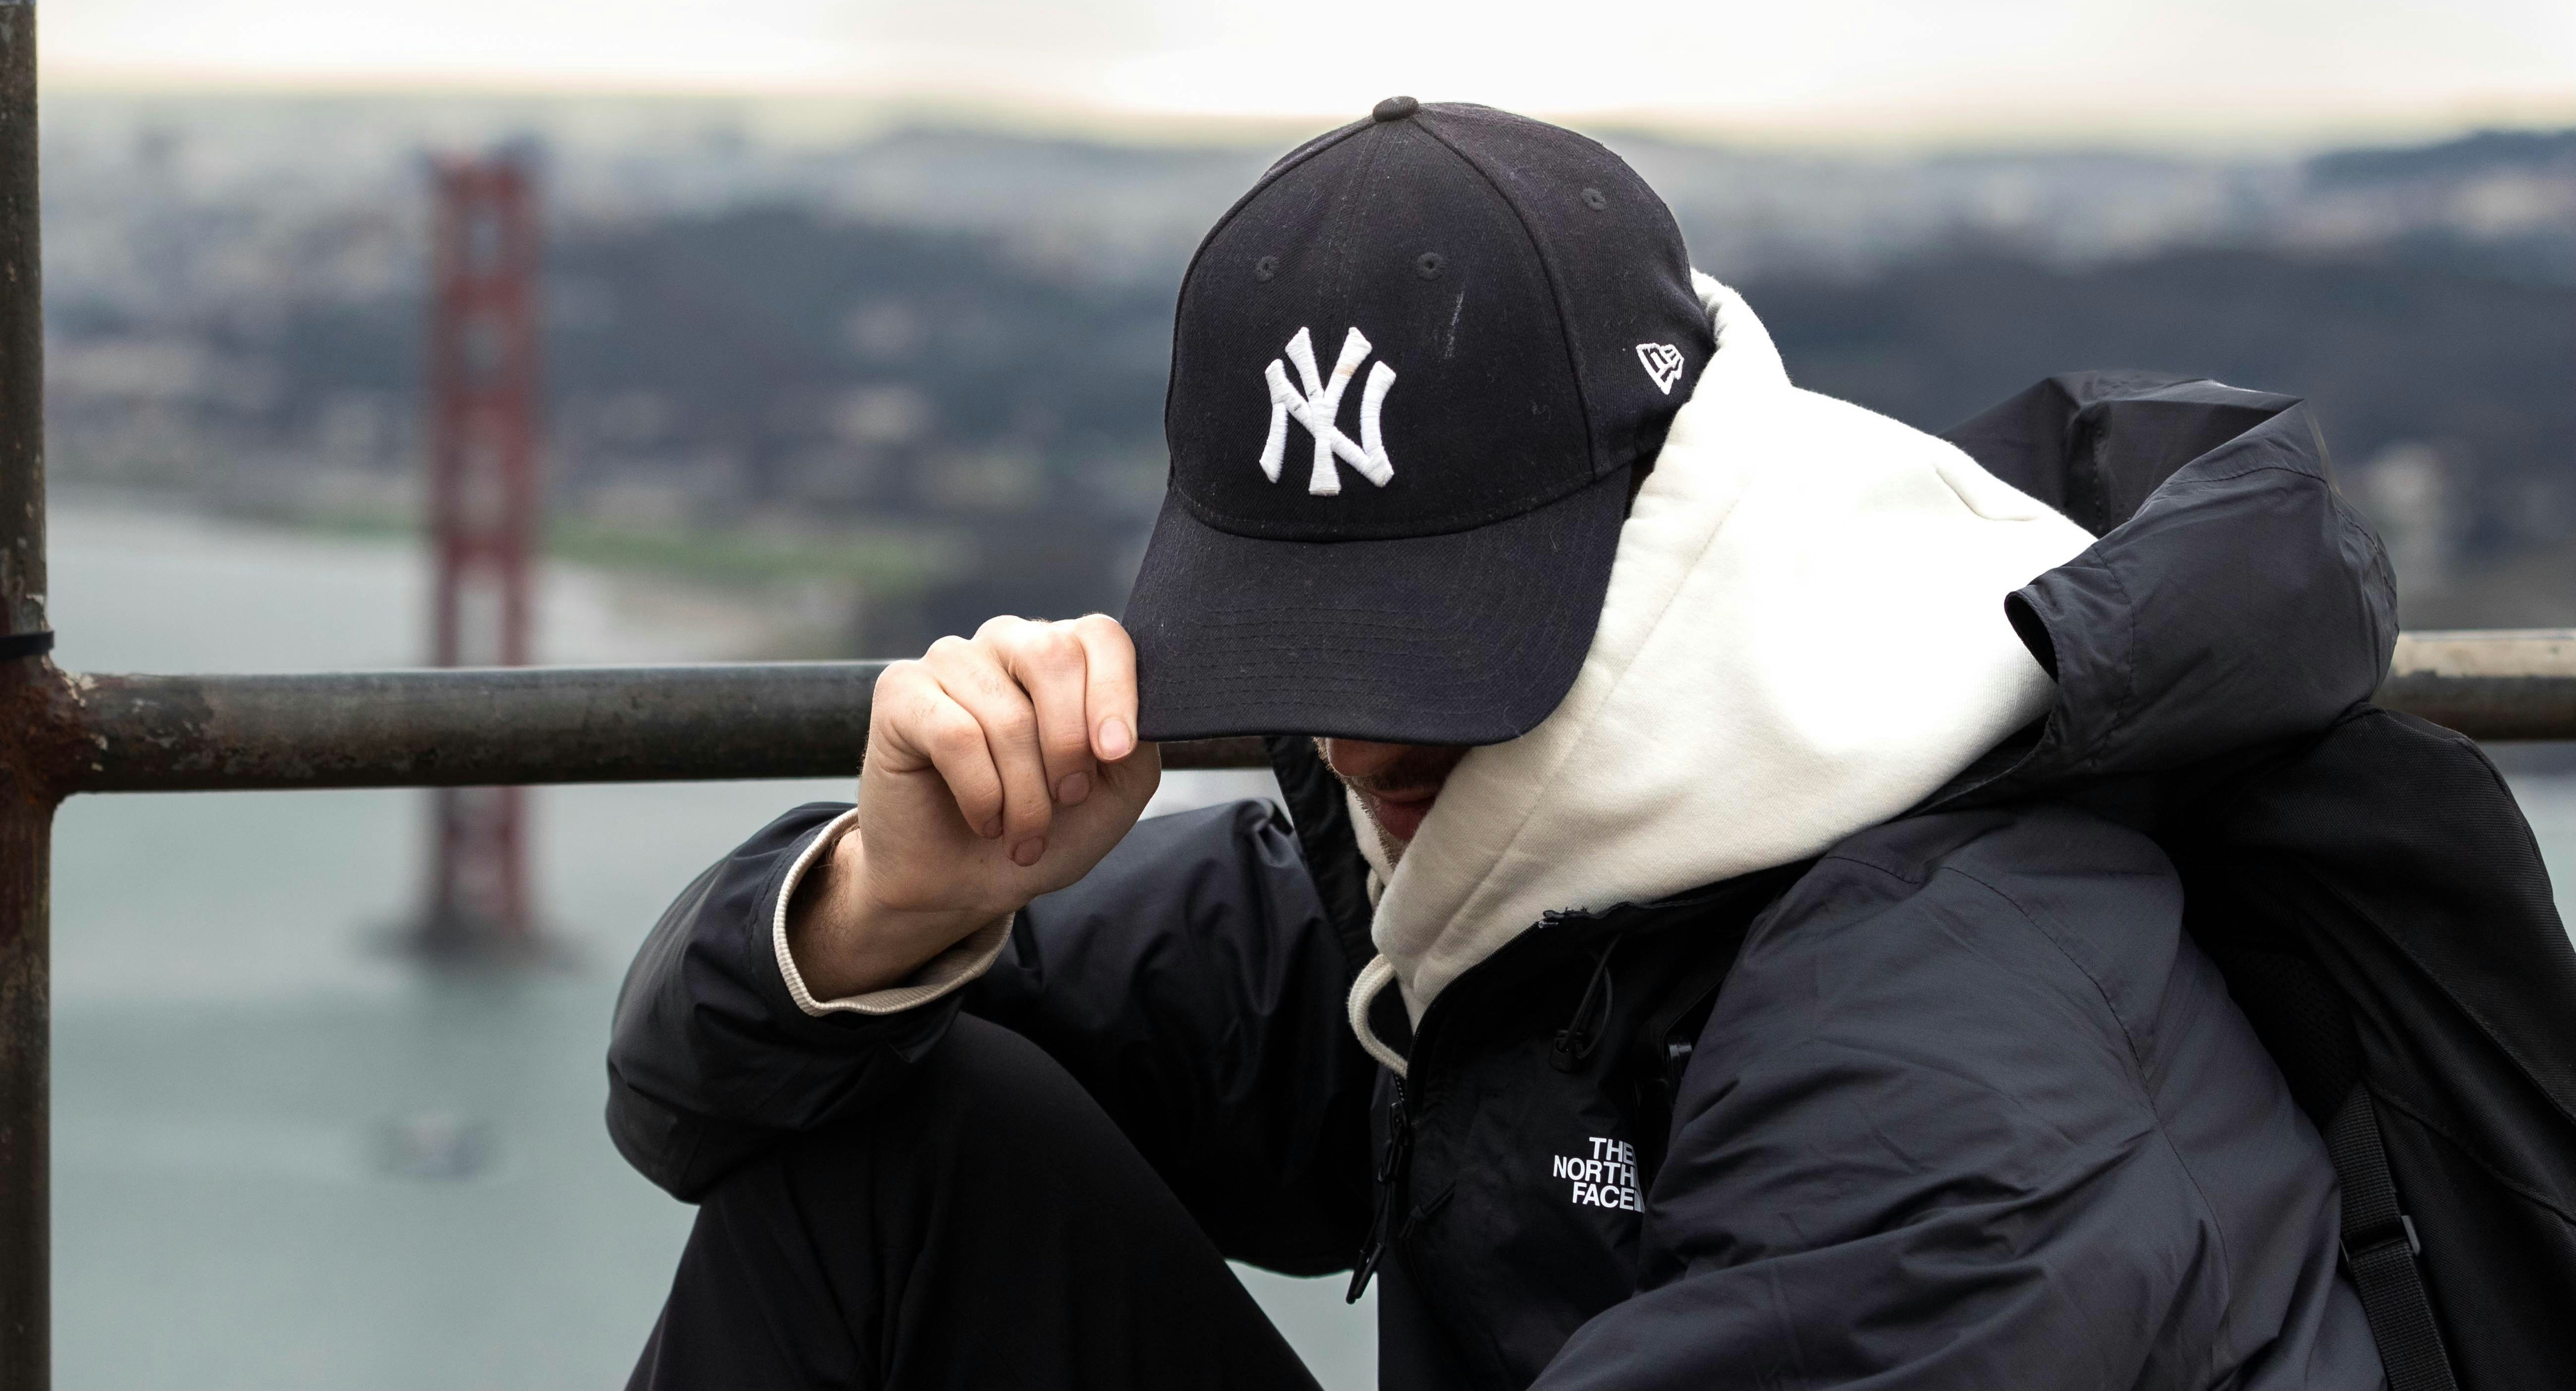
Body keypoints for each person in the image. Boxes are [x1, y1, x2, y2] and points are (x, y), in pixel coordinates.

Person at [608, 97, 2386, 1390]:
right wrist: (884, 908)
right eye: (1317, 631)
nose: (1363, 739)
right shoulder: (1491, 845)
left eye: (1450, 638)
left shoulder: (1950, 1090)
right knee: (877, 1162)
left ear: (1675, 536)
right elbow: (705, 1107)